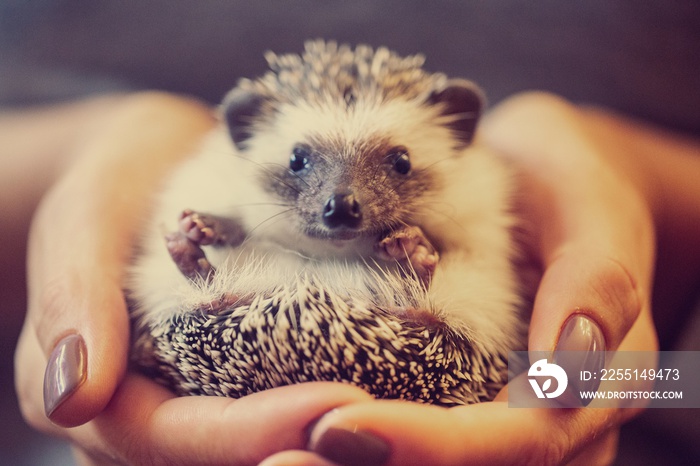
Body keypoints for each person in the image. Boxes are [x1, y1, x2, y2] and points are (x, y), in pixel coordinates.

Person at [11, 87, 699, 465]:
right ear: (249, 138)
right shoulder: (226, 185)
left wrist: (659, 379)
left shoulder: (486, 196)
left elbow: (681, 379)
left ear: (454, 139)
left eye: (395, 164)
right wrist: (80, 161)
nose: (343, 197)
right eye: (304, 163)